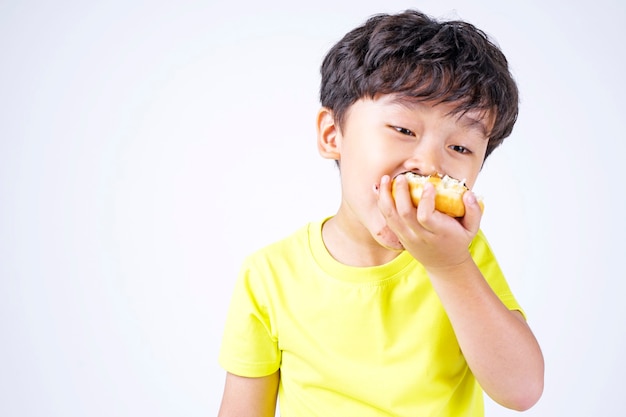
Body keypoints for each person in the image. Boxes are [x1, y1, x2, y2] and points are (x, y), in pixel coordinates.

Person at [217, 9, 544, 417]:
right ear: (332, 135)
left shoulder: (463, 256)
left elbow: (522, 390)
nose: (429, 164)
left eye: (460, 148)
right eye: (403, 130)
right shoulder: (269, 275)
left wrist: (449, 266)